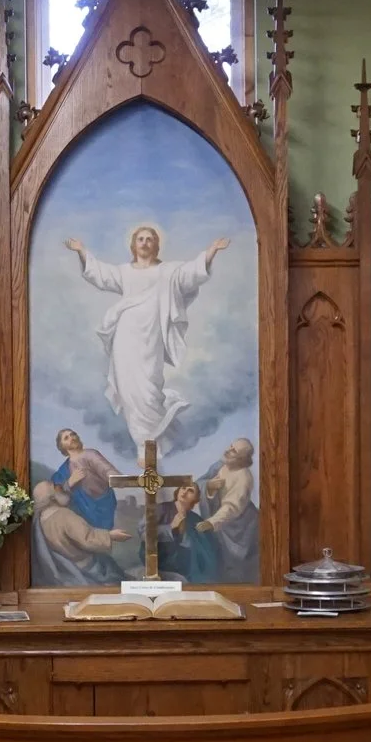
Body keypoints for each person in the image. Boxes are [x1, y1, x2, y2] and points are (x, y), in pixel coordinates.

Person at [62, 224, 231, 449]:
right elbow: (101, 274)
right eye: (140, 239)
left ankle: (153, 439)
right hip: (126, 334)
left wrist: (211, 251)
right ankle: (143, 443)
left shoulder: (168, 271)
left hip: (152, 335)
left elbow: (190, 274)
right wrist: (82, 251)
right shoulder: (125, 271)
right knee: (127, 387)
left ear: (156, 245)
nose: (144, 242)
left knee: (149, 386)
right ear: (133, 245)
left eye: (150, 239)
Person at [30, 480, 128, 587]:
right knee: (113, 570)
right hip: (84, 567)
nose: (62, 489)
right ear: (52, 497)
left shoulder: (40, 519)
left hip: (63, 568)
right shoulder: (64, 515)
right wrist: (110, 535)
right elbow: (87, 539)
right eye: (56, 488)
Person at [192, 437, 259, 578]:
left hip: (240, 527)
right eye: (230, 446)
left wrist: (211, 522)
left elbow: (232, 507)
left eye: (233, 451)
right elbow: (198, 484)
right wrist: (208, 486)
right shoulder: (220, 465)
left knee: (235, 563)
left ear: (241, 459)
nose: (227, 450)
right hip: (220, 521)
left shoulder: (243, 478)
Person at [48, 428, 119, 533]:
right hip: (82, 509)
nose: (71, 438)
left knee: (103, 535)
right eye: (66, 438)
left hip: (104, 503)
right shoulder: (63, 470)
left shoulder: (91, 454)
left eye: (73, 434)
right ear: (61, 446)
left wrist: (120, 479)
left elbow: (107, 470)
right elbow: (58, 494)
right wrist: (69, 483)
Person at [157, 482, 216, 585]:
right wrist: (170, 527)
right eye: (183, 488)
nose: (185, 492)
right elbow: (144, 532)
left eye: (191, 491)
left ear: (196, 498)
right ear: (178, 490)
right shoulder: (161, 508)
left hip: (188, 566)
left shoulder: (196, 519)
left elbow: (205, 549)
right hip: (162, 560)